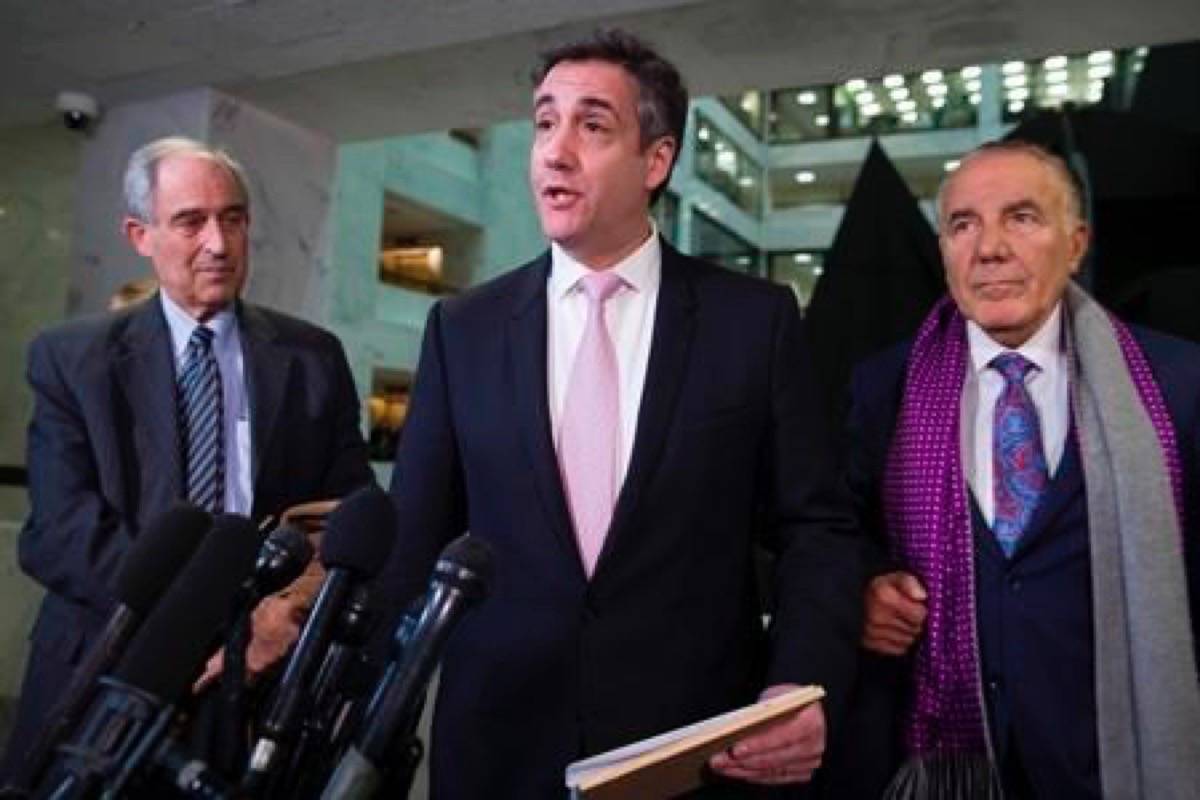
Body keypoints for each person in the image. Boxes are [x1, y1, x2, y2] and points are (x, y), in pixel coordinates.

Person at [379, 28, 861, 798]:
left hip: (693, 756)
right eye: (544, 122)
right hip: (497, 752)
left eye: (592, 125)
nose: (555, 151)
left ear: (657, 160)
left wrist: (801, 683)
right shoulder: (462, 329)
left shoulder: (755, 321)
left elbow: (818, 528)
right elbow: (409, 547)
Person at [833, 140, 1200, 798]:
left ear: (1077, 242)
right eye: (963, 224)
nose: (990, 248)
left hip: (1109, 765)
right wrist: (862, 586)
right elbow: (830, 532)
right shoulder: (881, 386)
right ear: (943, 247)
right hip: (939, 759)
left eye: (1022, 218)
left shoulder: (1177, 385)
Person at [3, 137, 373, 779]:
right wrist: (194, 621)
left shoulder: (312, 358)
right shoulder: (71, 360)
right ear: (138, 234)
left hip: (259, 681)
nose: (219, 244)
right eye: (190, 221)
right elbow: (59, 532)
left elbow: (347, 514)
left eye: (233, 218)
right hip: (107, 666)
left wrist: (276, 621)